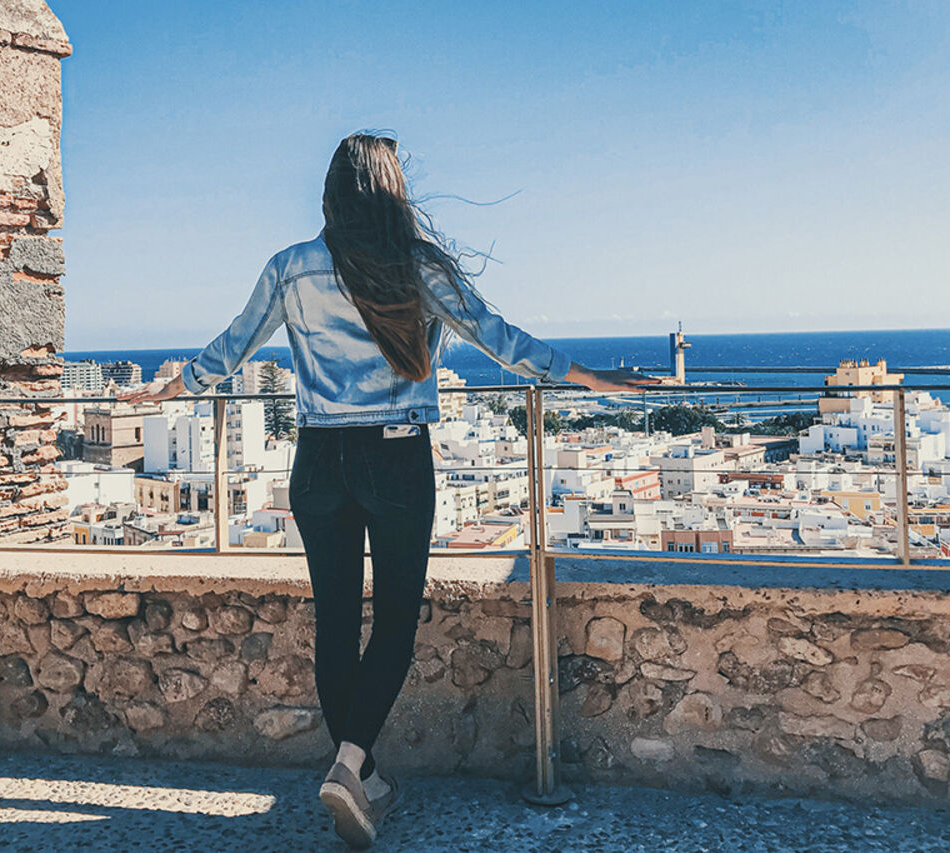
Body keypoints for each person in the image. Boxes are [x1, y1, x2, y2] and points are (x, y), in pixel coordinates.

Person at [121, 132, 659, 849]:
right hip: (397, 456)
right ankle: (350, 765)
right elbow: (501, 338)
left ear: (330, 194)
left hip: (317, 459)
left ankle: (362, 774)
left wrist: (173, 387)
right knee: (397, 620)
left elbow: (232, 346)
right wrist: (591, 377)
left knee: (337, 620)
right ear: (392, 191)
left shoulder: (290, 267)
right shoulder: (416, 266)